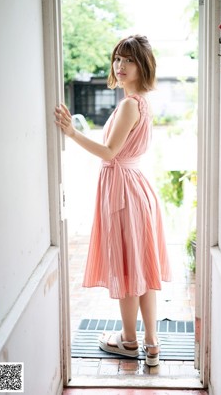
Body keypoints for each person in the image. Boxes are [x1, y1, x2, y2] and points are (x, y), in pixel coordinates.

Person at [55, 35, 171, 367]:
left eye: (129, 60)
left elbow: (109, 153)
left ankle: (130, 341)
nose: (120, 66)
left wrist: (72, 132)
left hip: (124, 193)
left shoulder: (130, 104)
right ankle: (151, 343)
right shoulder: (143, 101)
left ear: (142, 65)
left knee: (128, 267)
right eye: (117, 59)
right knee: (142, 269)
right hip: (135, 188)